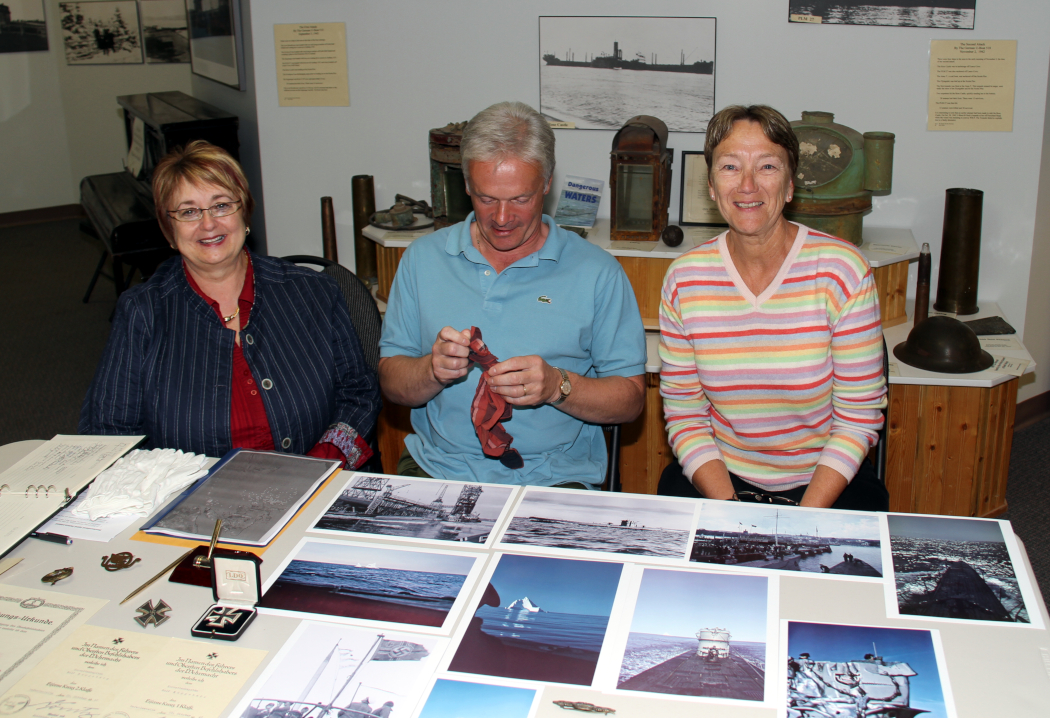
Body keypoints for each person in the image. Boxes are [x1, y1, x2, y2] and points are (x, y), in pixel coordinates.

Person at [379, 101, 646, 487]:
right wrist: (431, 370)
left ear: (547, 182)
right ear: (467, 184)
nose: (502, 218)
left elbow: (631, 400)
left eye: (520, 198)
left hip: (555, 477)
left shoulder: (597, 273)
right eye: (486, 198)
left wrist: (558, 386)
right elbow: (391, 381)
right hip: (439, 469)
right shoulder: (422, 260)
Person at [80, 140, 380, 467]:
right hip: (197, 503)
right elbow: (107, 434)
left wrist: (324, 464)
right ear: (169, 230)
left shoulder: (314, 292)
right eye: (189, 211)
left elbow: (359, 394)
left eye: (222, 205)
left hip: (316, 488)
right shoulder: (143, 312)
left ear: (245, 213)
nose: (208, 224)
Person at [658, 105, 887, 510]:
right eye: (730, 167)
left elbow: (858, 417)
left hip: (824, 482)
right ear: (711, 186)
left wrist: (801, 521)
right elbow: (685, 415)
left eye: (767, 166)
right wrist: (733, 511)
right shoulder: (685, 279)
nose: (747, 185)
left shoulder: (842, 272)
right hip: (722, 480)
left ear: (790, 184)